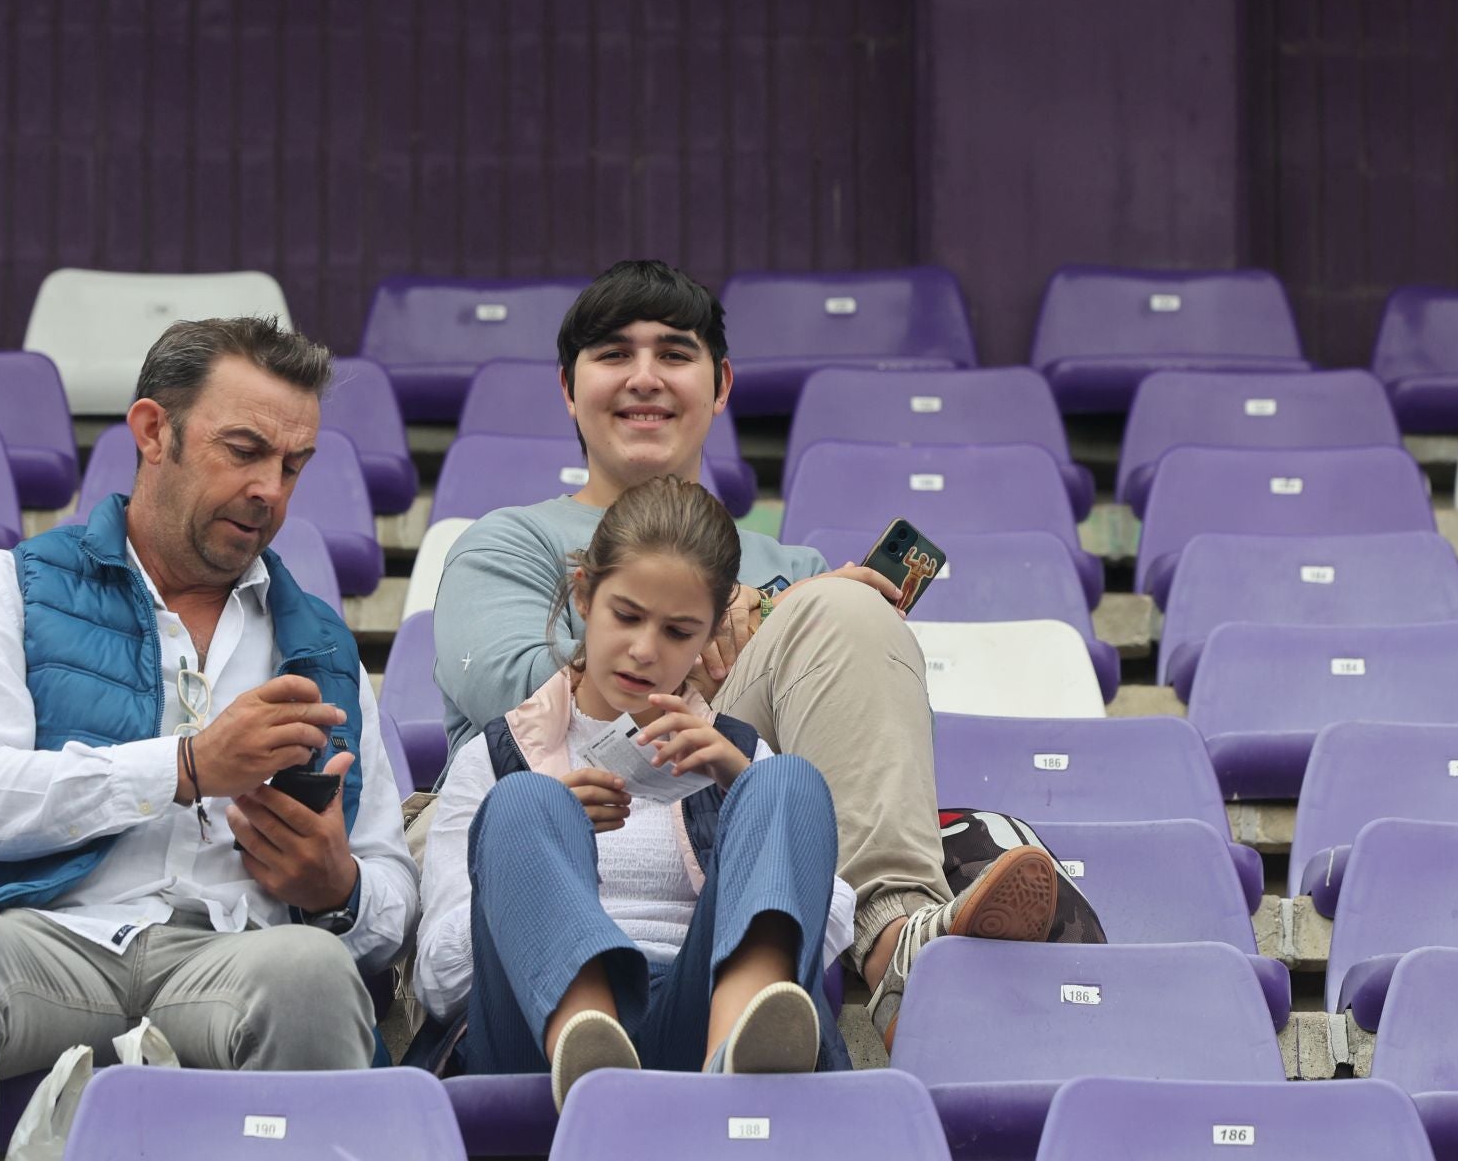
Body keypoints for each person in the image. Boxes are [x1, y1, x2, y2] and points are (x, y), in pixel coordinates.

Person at [432, 260, 1059, 1051]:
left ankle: (892, 932)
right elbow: (514, 698)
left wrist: (773, 618)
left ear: (721, 383)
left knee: (836, 629)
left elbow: (810, 792)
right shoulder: (507, 544)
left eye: (674, 354)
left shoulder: (794, 575)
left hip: (720, 877)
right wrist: (727, 625)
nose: (645, 378)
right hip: (547, 848)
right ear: (568, 386)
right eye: (614, 354)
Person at [0, 319, 417, 1151]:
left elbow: (390, 890)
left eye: (292, 466)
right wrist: (185, 767)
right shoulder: (2, 587)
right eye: (244, 451)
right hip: (42, 942)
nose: (270, 489)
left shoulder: (321, 644)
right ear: (154, 431)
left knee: (313, 970)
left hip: (234, 956)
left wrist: (338, 889)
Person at [418, 476, 851, 1108]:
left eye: (679, 632)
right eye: (626, 616)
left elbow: (829, 932)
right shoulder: (496, 755)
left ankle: (736, 1059)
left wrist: (740, 791)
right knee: (524, 805)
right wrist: (541, 857)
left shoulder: (738, 752)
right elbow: (440, 978)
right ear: (584, 596)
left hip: (696, 1022)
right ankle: (590, 1055)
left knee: (787, 780)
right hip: (537, 1049)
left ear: (709, 638)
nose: (644, 650)